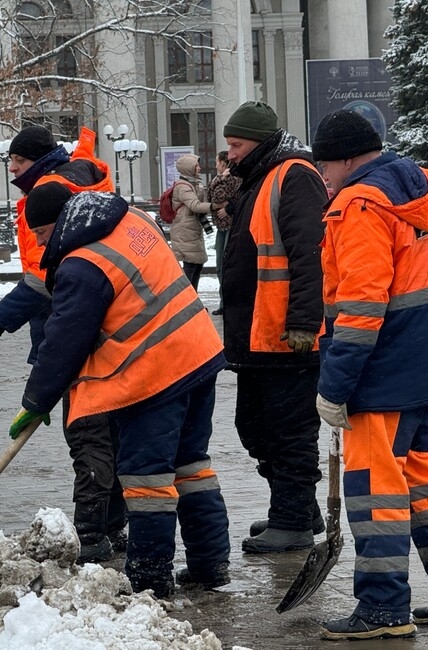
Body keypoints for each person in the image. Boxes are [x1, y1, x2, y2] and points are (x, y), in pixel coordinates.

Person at [311, 109, 428, 640]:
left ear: (348, 158)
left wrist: (335, 384)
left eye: (325, 164)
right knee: (423, 479)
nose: (321, 175)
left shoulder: (359, 206)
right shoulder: (417, 192)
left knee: (376, 489)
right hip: (423, 362)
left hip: (382, 371)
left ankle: (382, 608)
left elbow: (362, 306)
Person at [9, 182, 230, 599]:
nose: (40, 245)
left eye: (41, 235)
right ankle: (210, 564)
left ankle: (149, 579)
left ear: (58, 224)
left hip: (155, 372)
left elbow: (63, 341)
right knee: (191, 466)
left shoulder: (82, 265)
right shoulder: (129, 219)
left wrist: (35, 402)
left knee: (146, 479)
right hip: (200, 352)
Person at [0, 125, 126, 564]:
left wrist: (3, 319)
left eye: (16, 160)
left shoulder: (50, 193)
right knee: (103, 433)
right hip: (88, 325)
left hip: (78, 327)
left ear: (36, 158)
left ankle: (95, 536)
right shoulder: (79, 180)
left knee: (86, 430)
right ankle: (111, 526)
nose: (12, 168)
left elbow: (46, 278)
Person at [218, 100, 328, 553]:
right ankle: (297, 507)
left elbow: (310, 254)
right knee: (254, 427)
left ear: (259, 143)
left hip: (286, 338)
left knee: (289, 434)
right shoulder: (259, 178)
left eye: (236, 145)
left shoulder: (294, 176)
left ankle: (293, 520)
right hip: (257, 336)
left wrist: (304, 321)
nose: (230, 155)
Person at [169, 154, 216, 290]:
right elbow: (195, 205)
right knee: (191, 267)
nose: (199, 168)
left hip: (191, 230)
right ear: (188, 168)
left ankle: (192, 299)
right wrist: (215, 206)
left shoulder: (193, 184)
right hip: (185, 232)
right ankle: (187, 301)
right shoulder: (183, 187)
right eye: (196, 166)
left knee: (196, 265)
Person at [207, 151, 240, 315]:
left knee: (225, 266)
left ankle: (227, 302)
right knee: (221, 266)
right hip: (223, 226)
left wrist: (227, 207)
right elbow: (211, 197)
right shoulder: (224, 178)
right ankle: (224, 302)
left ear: (223, 163)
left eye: (217, 162)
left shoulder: (232, 178)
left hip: (229, 225)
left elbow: (217, 195)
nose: (215, 165)